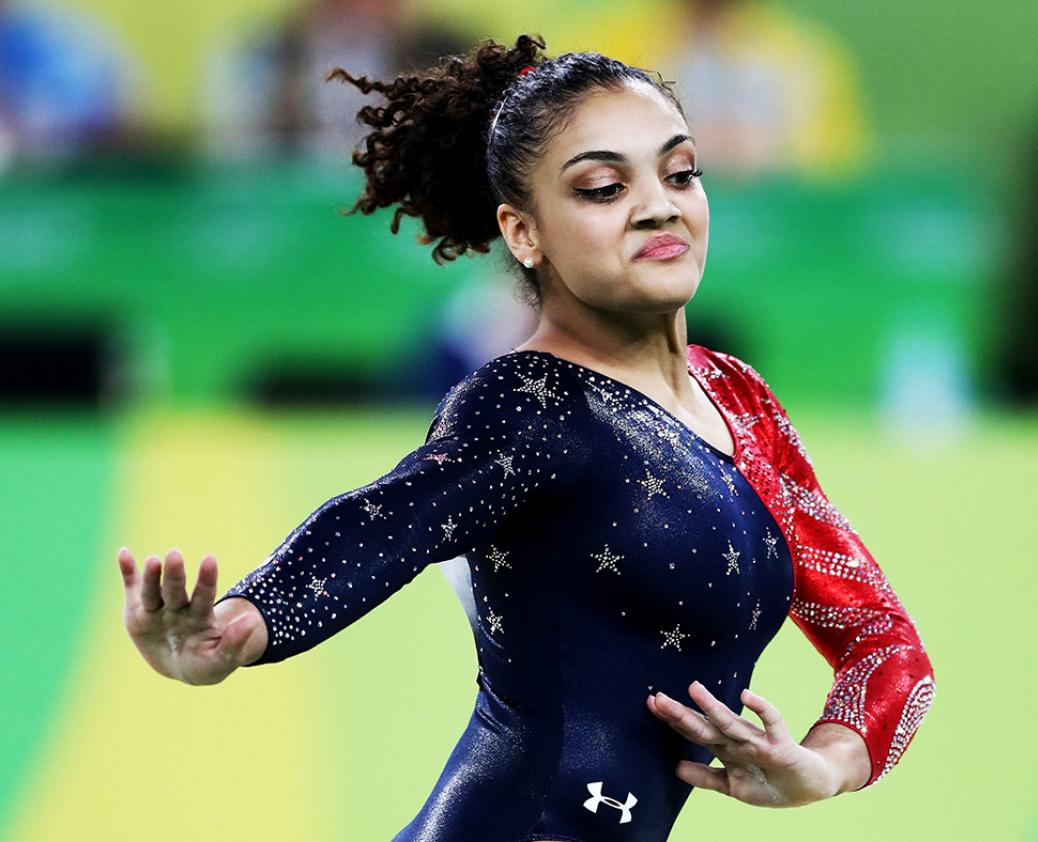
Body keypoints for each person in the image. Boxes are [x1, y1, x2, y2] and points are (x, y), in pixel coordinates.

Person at [116, 34, 936, 842]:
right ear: (524, 232)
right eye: (603, 188)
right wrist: (246, 623)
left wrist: (822, 767)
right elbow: (386, 521)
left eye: (681, 172)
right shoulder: (527, 402)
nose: (659, 204)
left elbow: (885, 646)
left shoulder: (741, 401)